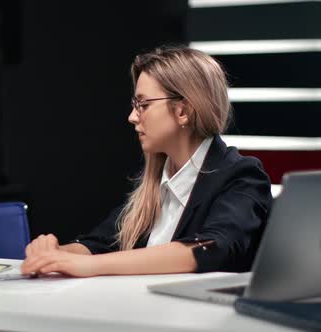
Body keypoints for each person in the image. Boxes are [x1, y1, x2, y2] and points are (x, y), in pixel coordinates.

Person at [21, 46, 272, 277]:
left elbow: (211, 248)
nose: (132, 117)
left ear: (183, 110)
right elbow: (98, 244)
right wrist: (54, 253)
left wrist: (89, 266)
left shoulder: (241, 176)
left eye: (143, 105)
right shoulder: (154, 180)